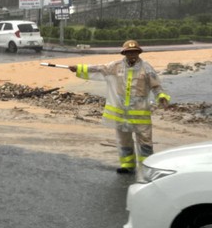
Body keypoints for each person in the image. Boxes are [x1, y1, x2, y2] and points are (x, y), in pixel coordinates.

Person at [69, 40, 171, 174]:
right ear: (124, 53)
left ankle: (147, 168)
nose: (132, 55)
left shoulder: (146, 68)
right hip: (122, 113)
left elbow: (156, 86)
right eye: (129, 52)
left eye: (134, 52)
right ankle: (127, 165)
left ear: (138, 52)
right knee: (124, 141)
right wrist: (79, 68)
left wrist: (162, 97)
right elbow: (99, 68)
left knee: (145, 142)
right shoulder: (116, 66)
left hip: (140, 113)